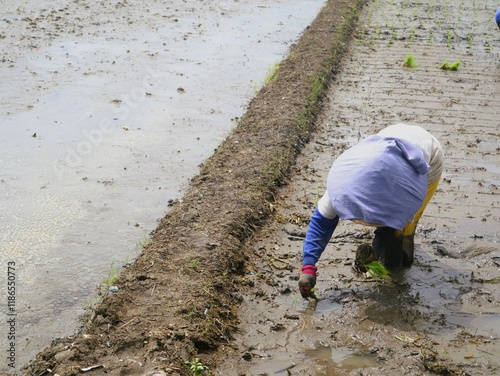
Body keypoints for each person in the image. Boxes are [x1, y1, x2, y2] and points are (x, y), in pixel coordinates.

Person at [298, 123, 444, 299]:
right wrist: (308, 267)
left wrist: (377, 248)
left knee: (401, 235)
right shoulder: (340, 190)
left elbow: (396, 220)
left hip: (429, 159)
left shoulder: (405, 194)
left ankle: (400, 271)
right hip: (385, 144)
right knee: (390, 236)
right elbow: (320, 225)